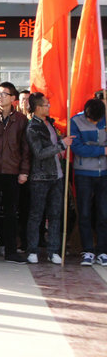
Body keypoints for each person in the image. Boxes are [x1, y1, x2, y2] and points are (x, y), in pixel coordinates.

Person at [0, 82, 30, 264]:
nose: (0, 97)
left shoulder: (21, 120)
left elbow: (25, 148)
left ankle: (11, 251)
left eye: (4, 94)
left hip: (12, 171)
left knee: (11, 213)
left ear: (13, 98)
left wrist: (24, 171)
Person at [25, 92, 74, 265]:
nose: (49, 107)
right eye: (46, 105)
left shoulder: (50, 124)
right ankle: (32, 250)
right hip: (40, 177)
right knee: (36, 215)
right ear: (38, 108)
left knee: (55, 215)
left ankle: (54, 250)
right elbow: (39, 153)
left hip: (57, 175)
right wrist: (61, 145)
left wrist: (61, 145)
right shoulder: (32, 128)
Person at [70, 98, 107, 266]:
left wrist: (91, 146)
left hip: (104, 173)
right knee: (84, 213)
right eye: (92, 120)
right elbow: (77, 147)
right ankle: (88, 251)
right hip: (83, 173)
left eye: (98, 120)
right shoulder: (76, 121)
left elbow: (86, 146)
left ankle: (102, 250)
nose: (95, 122)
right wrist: (102, 150)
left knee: (103, 213)